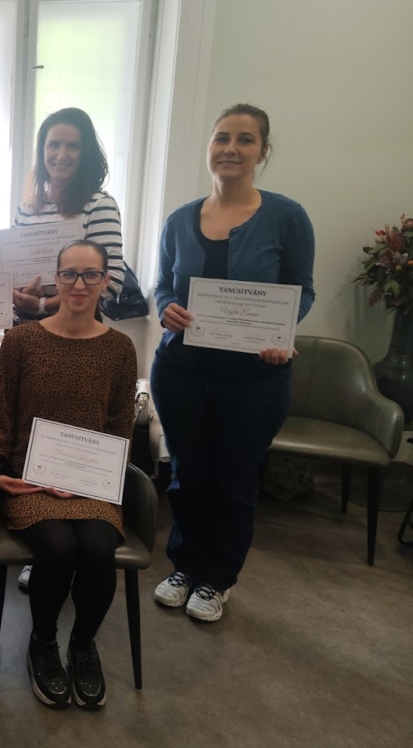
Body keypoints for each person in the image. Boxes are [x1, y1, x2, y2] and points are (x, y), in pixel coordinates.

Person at [150, 103, 315, 623]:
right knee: (187, 476)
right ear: (209, 147)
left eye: (245, 140)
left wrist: (280, 333)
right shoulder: (180, 219)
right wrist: (165, 308)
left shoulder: (287, 217)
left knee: (236, 482)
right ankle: (184, 566)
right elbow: (162, 286)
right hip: (181, 373)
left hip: (255, 380)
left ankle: (217, 579)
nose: (231, 149)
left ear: (263, 152)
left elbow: (303, 290)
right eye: (222, 138)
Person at [0, 239, 136, 710]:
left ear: (105, 282)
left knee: (97, 548)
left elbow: (120, 426)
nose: (79, 284)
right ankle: (43, 643)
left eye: (90, 274)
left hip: (91, 484)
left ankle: (83, 645)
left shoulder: (120, 348)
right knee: (58, 546)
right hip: (30, 480)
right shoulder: (22, 340)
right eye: (69, 273)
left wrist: (99, 477)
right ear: (56, 279)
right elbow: (0, 414)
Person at [12, 107, 126, 591]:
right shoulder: (27, 208)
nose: (61, 154)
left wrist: (47, 301)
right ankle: (44, 539)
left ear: (86, 153)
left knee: (77, 431)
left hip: (81, 340)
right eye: (52, 145)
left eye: (72, 145)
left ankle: (76, 531)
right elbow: (18, 274)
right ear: (41, 151)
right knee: (31, 427)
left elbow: (110, 280)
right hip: (29, 335)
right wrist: (20, 297)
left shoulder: (100, 204)